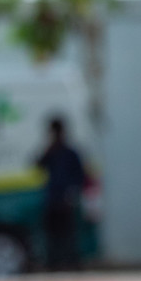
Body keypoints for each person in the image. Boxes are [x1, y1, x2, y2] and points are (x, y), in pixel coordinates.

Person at [34, 115, 88, 271]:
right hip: (52, 199)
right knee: (52, 234)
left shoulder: (70, 152)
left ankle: (72, 263)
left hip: (66, 199)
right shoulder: (51, 151)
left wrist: (72, 192)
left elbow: (80, 175)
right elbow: (36, 165)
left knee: (69, 234)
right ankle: (53, 263)